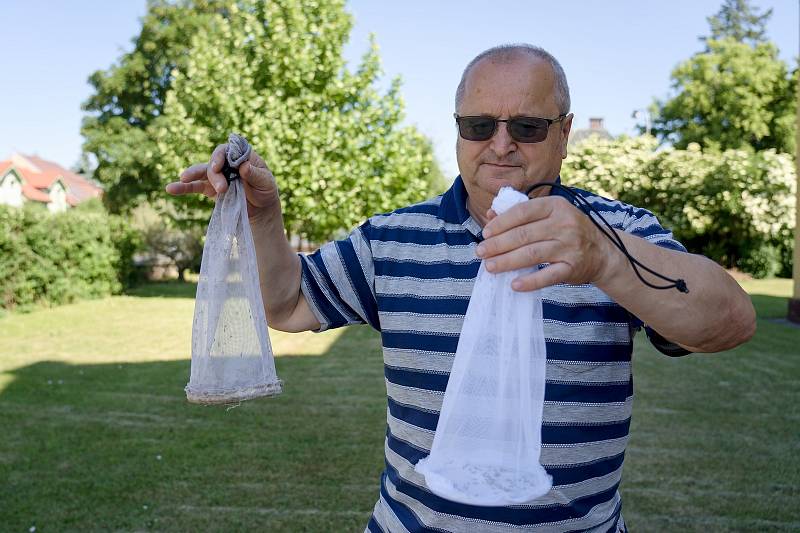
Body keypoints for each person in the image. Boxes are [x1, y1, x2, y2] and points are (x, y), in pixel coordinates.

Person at [167, 44, 756, 533]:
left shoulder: (618, 233)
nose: (500, 144)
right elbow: (286, 303)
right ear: (457, 130)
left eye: (527, 126)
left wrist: (603, 260)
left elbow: (730, 321)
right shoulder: (394, 238)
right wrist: (265, 215)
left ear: (565, 133)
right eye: (479, 125)